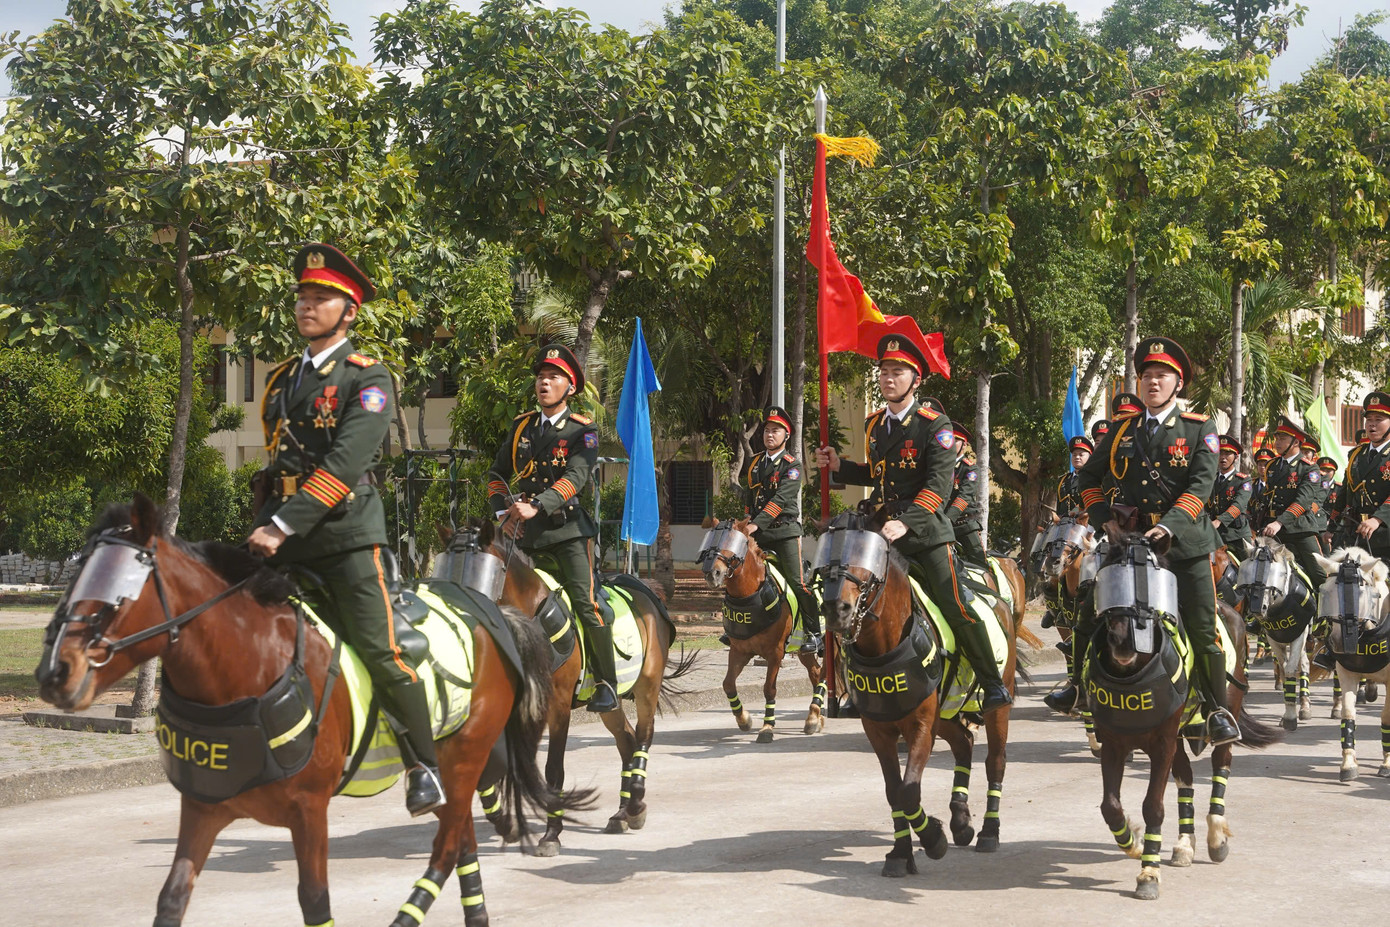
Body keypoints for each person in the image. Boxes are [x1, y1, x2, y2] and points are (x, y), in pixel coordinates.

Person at [248, 244, 445, 816]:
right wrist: (265, 524)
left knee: (381, 650)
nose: (308, 307)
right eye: (303, 297)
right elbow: (278, 464)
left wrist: (281, 527)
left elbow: (344, 464)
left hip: (346, 539)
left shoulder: (369, 377)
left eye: (322, 298)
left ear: (350, 310)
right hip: (283, 536)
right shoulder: (283, 380)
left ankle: (423, 764)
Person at [1048, 336, 1240, 746]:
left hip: (1183, 543)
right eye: (1147, 375)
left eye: (1162, 376)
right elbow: (1087, 478)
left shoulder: (1199, 428)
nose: (1153, 382)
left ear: (1178, 384)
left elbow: (1202, 484)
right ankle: (1078, 687)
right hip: (1128, 544)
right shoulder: (1121, 431)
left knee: (1203, 624)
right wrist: (1104, 520)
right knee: (1087, 608)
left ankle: (1215, 708)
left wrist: (1168, 526)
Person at [816, 335, 1012, 712]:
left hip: (924, 534)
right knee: (854, 599)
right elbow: (878, 474)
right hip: (881, 534)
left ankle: (992, 684)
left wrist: (905, 523)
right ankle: (860, 686)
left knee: (956, 604)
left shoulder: (934, 425)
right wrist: (841, 466)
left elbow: (937, 487)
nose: (889, 379)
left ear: (916, 379)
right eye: (884, 372)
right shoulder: (875, 425)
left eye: (898, 372)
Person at [487, 344, 619, 714]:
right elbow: (496, 476)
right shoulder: (522, 427)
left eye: (554, 377)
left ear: (570, 387)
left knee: (586, 603)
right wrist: (504, 515)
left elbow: (576, 476)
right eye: (542, 377)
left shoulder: (583, 430)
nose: (545, 382)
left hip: (568, 534)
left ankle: (605, 683)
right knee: (506, 602)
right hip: (526, 536)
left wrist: (536, 505)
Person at [740, 405, 821, 650]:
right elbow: (749, 497)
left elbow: (780, 501)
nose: (769, 435)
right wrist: (745, 523)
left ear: (786, 436)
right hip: (758, 533)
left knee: (798, 583)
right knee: (740, 573)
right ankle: (740, 629)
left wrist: (755, 525)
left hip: (784, 531)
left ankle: (814, 633)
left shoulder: (792, 466)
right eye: (767, 430)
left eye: (776, 431)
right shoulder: (754, 463)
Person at [1259, 415, 1328, 594]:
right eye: (1277, 438)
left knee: (1320, 574)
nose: (1277, 442)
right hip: (1273, 529)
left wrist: (1279, 522)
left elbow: (1303, 502)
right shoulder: (1272, 466)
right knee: (1257, 570)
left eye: (1283, 438)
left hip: (1299, 529)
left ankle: (1324, 616)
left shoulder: (1309, 468)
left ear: (1296, 442)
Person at [1332, 391, 1390, 558]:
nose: (1372, 425)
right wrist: (1332, 525)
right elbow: (1347, 491)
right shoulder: (1357, 455)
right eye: (1369, 420)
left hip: (1385, 536)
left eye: (1378, 420)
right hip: (1356, 533)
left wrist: (1377, 519)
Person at [947, 423, 986, 567]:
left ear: (964, 445)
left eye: (955, 440)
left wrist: (947, 519)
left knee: (980, 565)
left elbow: (964, 497)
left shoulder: (970, 469)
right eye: (947, 439)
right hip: (941, 526)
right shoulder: (939, 467)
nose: (950, 444)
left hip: (963, 525)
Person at [1208, 435, 1253, 560]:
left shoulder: (1243, 481)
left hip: (1237, 535)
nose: (1223, 457)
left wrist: (1219, 521)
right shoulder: (1210, 479)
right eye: (1221, 453)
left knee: (1251, 569)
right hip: (1214, 534)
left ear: (1236, 457)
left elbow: (1238, 505)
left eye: (1228, 453)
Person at [1057, 436, 1094, 516]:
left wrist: (1072, 514)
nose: (1077, 457)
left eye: (1081, 455)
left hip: (1086, 524)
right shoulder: (1062, 480)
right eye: (1074, 455)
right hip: (1064, 524)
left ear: (1089, 457)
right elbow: (1059, 507)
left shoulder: (1094, 478)